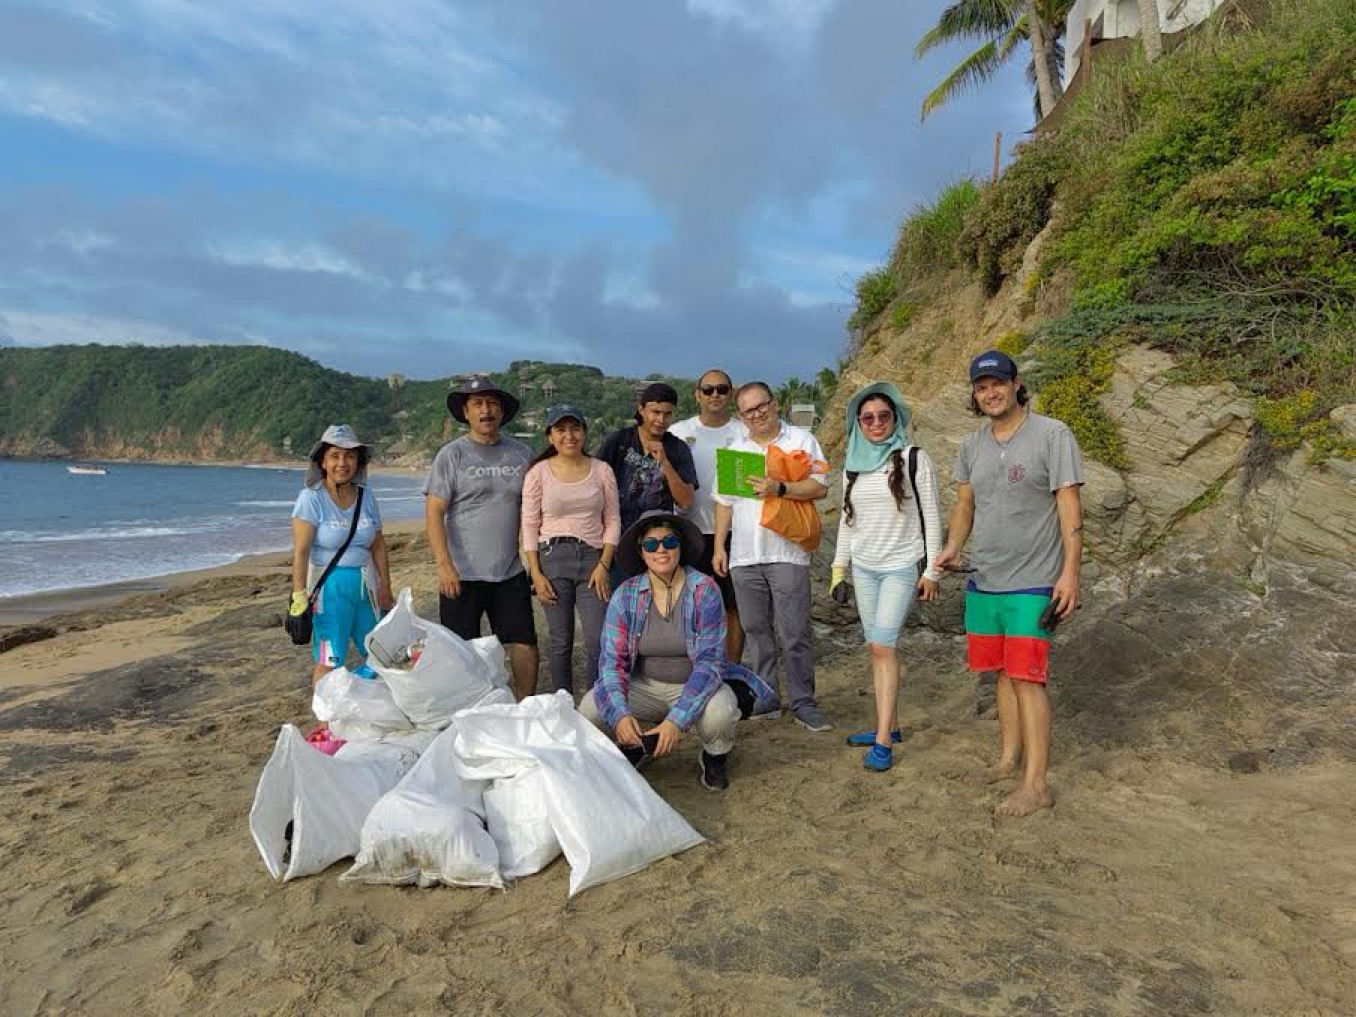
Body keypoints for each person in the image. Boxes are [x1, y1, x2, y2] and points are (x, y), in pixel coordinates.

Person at [934, 350, 1085, 817]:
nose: (990, 393)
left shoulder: (1052, 434)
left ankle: (1036, 785)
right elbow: (965, 503)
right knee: (1000, 672)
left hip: (1034, 580)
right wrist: (954, 546)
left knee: (1027, 677)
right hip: (985, 577)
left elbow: (1069, 506)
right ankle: (1007, 760)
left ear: (1016, 384)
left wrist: (1070, 573)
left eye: (998, 383)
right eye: (981, 387)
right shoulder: (972, 445)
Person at [581, 510, 779, 792]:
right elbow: (613, 663)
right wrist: (621, 715)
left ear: (680, 547)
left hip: (694, 683)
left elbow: (710, 664)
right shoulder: (624, 594)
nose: (661, 550)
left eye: (669, 542)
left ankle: (715, 753)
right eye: (651, 544)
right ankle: (638, 742)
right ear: (641, 552)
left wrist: (677, 721)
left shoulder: (705, 590)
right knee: (591, 709)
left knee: (720, 712)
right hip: (644, 687)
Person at [829, 383, 943, 772]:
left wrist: (931, 570)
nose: (876, 423)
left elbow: (932, 515)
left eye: (883, 416)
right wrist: (837, 568)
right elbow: (848, 521)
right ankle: (888, 726)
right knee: (874, 646)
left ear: (895, 418)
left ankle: (882, 741)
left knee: (883, 646)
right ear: (857, 423)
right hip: (864, 567)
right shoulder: (853, 465)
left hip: (899, 566)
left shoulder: (912, 457)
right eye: (868, 418)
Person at [713, 382, 832, 732]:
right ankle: (766, 697)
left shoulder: (800, 441)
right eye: (749, 410)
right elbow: (724, 503)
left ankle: (803, 702)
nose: (757, 413)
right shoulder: (736, 449)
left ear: (775, 403)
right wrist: (720, 546)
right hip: (744, 557)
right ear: (741, 416)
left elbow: (821, 486)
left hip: (788, 553)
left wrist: (780, 488)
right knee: (756, 631)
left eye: (761, 405)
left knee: (794, 632)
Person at [425, 377, 539, 699]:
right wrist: (444, 566)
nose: (485, 410)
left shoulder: (521, 454)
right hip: (461, 574)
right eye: (477, 404)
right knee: (460, 651)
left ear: (501, 410)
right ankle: (467, 711)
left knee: (523, 643)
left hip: (509, 570)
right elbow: (434, 513)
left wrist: (536, 564)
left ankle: (525, 704)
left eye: (491, 403)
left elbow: (536, 509)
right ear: (466, 411)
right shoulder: (452, 455)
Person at [521, 405, 621, 697]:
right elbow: (529, 524)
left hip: (593, 559)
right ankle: (562, 704)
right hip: (552, 559)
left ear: (584, 432)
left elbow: (613, 519)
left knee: (596, 640)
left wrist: (604, 564)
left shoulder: (602, 470)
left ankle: (594, 705)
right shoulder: (538, 473)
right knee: (560, 640)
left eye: (575, 429)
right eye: (561, 430)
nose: (569, 436)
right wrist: (535, 574)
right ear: (550, 436)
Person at [289, 424, 394, 687]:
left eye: (349, 456)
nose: (342, 463)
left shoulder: (366, 497)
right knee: (330, 659)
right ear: (322, 462)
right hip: (329, 590)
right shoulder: (310, 498)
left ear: (358, 462)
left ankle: (366, 714)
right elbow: (301, 551)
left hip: (366, 587)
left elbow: (378, 544)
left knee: (379, 654)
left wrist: (385, 585)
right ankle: (325, 725)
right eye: (335, 456)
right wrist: (299, 596)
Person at [670, 368, 746, 663]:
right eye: (709, 389)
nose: (715, 395)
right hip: (689, 531)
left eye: (722, 389)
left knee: (732, 606)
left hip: (734, 533)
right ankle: (695, 671)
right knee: (692, 605)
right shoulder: (679, 432)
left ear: (730, 394)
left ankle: (731, 670)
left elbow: (737, 491)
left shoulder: (742, 432)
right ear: (697, 394)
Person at [596, 381, 698, 535]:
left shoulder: (678, 448)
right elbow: (595, 487)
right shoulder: (618, 441)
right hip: (616, 532)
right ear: (641, 410)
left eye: (667, 414)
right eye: (655, 412)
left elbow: (686, 502)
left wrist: (665, 463)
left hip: (657, 537)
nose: (661, 420)